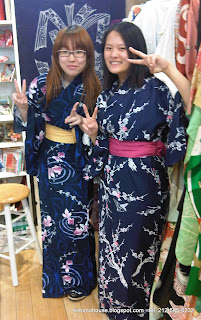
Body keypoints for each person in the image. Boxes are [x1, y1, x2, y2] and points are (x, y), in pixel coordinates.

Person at [65, 22, 190, 319]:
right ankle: (115, 312)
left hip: (146, 187)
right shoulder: (106, 96)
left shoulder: (159, 89)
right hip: (111, 187)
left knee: (137, 252)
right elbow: (103, 147)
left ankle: (136, 314)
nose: (114, 54)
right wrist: (95, 133)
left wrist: (169, 69)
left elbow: (190, 105)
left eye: (121, 48)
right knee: (112, 249)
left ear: (135, 49)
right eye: (109, 48)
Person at [12, 25, 101, 300]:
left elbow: (102, 131)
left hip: (79, 162)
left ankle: (80, 281)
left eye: (79, 52)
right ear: (56, 55)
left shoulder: (95, 87)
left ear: (88, 56)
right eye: (65, 52)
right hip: (52, 160)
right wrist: (25, 109)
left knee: (78, 225)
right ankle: (56, 281)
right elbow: (30, 124)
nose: (71, 58)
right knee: (52, 223)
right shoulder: (41, 84)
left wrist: (88, 130)